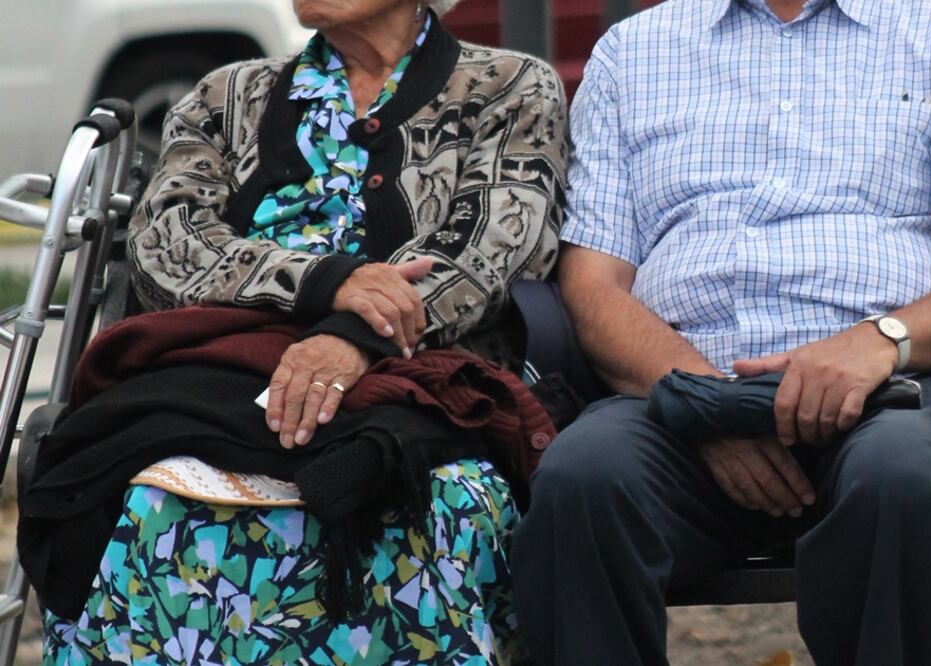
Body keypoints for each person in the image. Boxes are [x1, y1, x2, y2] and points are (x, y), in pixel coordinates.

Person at [511, 0, 931, 664]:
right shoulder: (633, 53)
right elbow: (592, 287)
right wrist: (704, 407)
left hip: (902, 392)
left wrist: (874, 343)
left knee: (902, 477)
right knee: (581, 480)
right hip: (679, 396)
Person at [35, 0, 567, 662]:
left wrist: (354, 338)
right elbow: (166, 239)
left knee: (438, 502)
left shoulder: (508, 85)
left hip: (418, 385)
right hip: (221, 377)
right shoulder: (227, 95)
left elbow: (494, 246)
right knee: (151, 493)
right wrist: (321, 281)